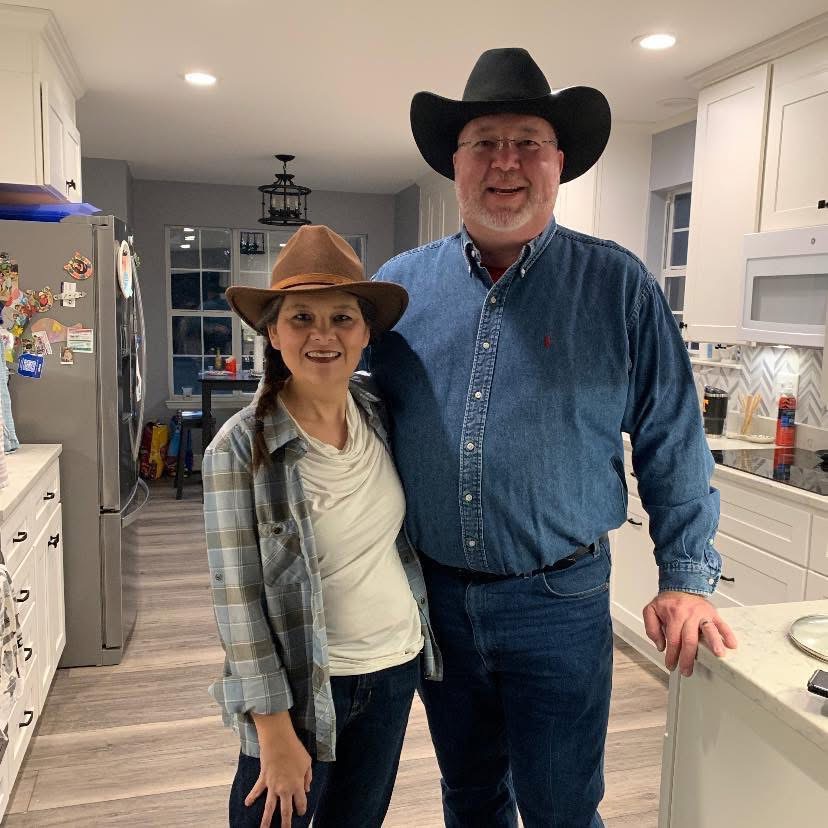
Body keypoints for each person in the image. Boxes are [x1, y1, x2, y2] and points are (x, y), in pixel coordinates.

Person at [367, 48, 738, 828]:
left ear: (559, 161)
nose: (506, 162)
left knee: (562, 808)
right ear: (455, 164)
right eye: (484, 143)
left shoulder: (618, 287)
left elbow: (673, 438)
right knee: (470, 797)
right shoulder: (398, 289)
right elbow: (352, 423)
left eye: (527, 142)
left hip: (558, 603)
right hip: (431, 597)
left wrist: (686, 577)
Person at [203, 224, 441, 828]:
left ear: (365, 333)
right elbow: (237, 601)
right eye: (301, 318)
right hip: (304, 685)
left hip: (394, 666)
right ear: (273, 333)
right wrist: (273, 729)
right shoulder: (240, 447)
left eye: (342, 318)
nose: (323, 335)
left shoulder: (379, 414)